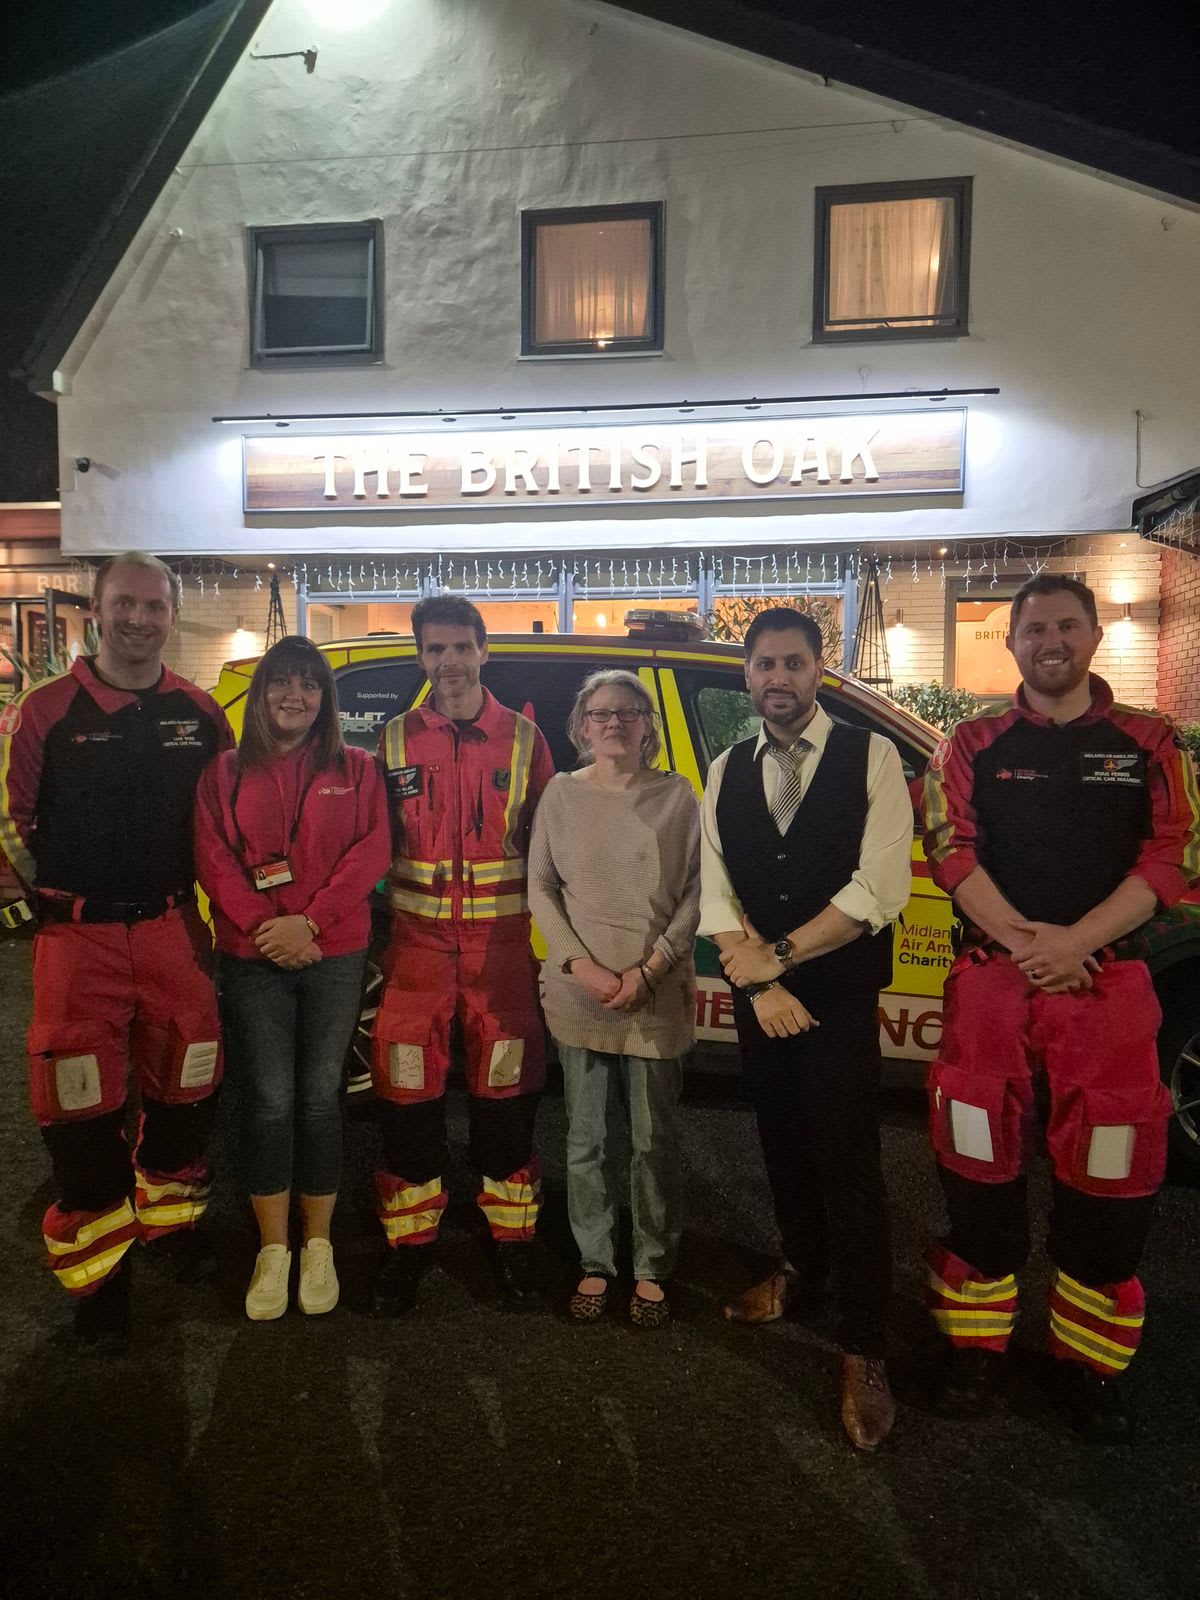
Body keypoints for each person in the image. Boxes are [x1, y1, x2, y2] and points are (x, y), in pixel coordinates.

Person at [921, 573, 1200, 1440]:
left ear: (1092, 636)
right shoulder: (970, 742)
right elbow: (949, 850)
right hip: (993, 986)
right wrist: (1028, 946)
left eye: (1067, 625)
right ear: (1010, 642)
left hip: (1108, 989)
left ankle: (1087, 1369)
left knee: (1111, 1181)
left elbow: (1173, 857)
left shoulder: (1151, 742)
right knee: (975, 1166)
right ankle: (974, 1351)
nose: (1051, 640)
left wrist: (1074, 945)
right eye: (1034, 627)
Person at [0, 552, 232, 1347]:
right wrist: (29, 904)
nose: (138, 620)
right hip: (77, 941)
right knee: (78, 1116)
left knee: (187, 1093)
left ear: (172, 615)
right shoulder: (43, 710)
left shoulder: (201, 714)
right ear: (96, 611)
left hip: (173, 933)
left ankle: (170, 1229)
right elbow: (9, 821)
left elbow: (224, 827)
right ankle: (101, 1284)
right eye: (123, 605)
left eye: (153, 607)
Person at [699, 606, 913, 1450]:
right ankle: (802, 1270)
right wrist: (754, 985)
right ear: (747, 677)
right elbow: (715, 891)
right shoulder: (726, 768)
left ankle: (865, 1344)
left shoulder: (875, 756)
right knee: (782, 1146)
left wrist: (776, 961)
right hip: (764, 1001)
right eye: (763, 666)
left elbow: (880, 888)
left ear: (820, 669)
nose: (777, 679)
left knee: (850, 1162)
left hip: (835, 997)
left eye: (792, 663)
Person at [194, 636, 390, 1321]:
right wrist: (263, 927)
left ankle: (319, 1244)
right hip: (252, 959)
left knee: (317, 1097)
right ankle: (273, 1250)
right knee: (268, 1100)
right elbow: (213, 857)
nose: (294, 696)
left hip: (332, 953)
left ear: (325, 698)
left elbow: (372, 851)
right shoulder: (223, 771)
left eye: (309, 685)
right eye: (281, 682)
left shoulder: (358, 768)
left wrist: (308, 923)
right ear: (261, 693)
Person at [369, 595, 555, 1314]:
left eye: (460, 647)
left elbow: (550, 847)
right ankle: (407, 1247)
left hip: (502, 956)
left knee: (505, 1102)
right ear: (421, 657)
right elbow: (366, 846)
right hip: (414, 955)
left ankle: (511, 1243)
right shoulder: (389, 741)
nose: (448, 662)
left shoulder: (524, 740)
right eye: (434, 649)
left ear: (484, 651)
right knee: (407, 1102)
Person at [529, 670, 700, 1327]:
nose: (614, 723)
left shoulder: (678, 796)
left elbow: (695, 894)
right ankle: (595, 1262)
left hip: (653, 995)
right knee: (586, 1139)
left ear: (647, 727)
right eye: (601, 713)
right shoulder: (561, 796)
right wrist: (580, 965)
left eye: (629, 713)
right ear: (582, 726)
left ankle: (652, 1266)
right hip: (581, 994)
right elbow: (541, 886)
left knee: (654, 1140)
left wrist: (649, 970)